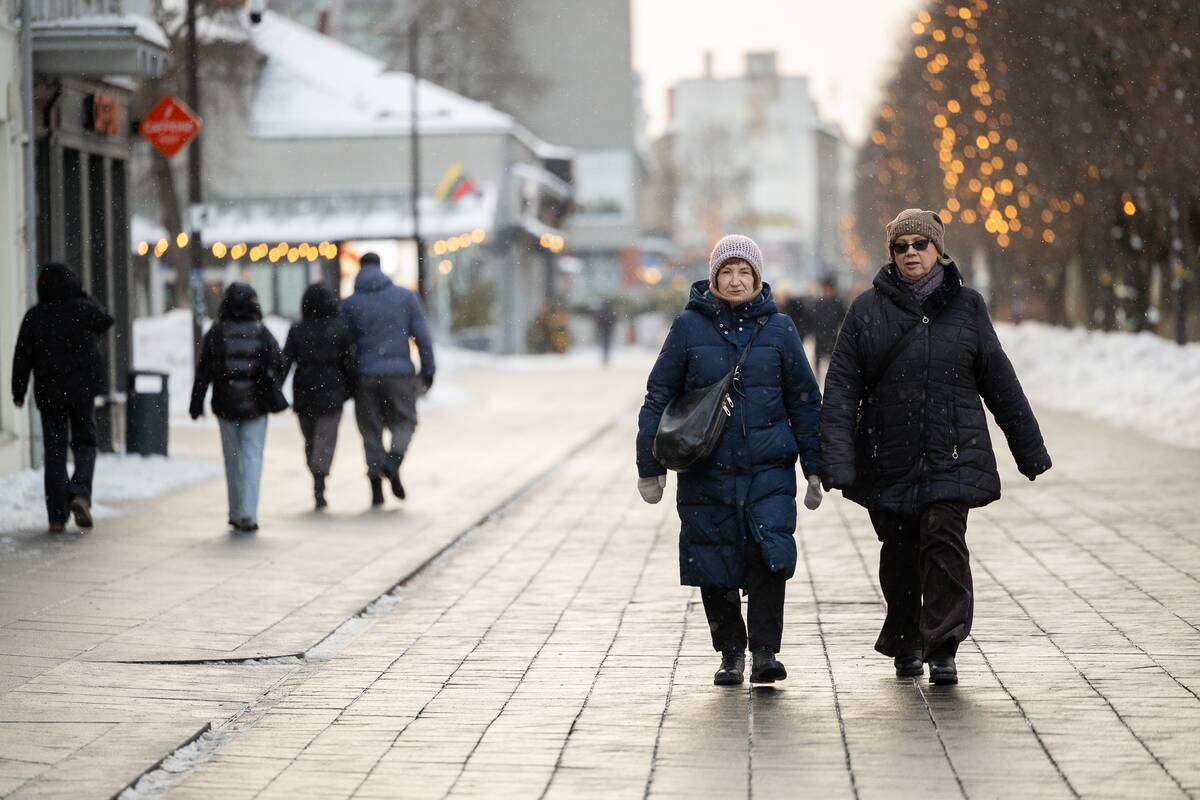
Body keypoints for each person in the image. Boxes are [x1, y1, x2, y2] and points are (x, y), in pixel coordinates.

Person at [819, 208, 1052, 685]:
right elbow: (841, 387)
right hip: (889, 454)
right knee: (900, 553)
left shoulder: (967, 306)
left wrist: (1028, 449)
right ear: (891, 254)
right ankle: (906, 638)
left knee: (944, 541)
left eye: (920, 244)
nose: (911, 253)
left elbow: (999, 380)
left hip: (952, 452)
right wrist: (837, 459)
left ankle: (943, 645)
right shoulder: (866, 309)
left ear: (938, 249)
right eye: (901, 246)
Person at [636, 234, 823, 687]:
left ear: (758, 278)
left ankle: (765, 652)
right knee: (713, 561)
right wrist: (649, 465)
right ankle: (731, 653)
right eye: (727, 271)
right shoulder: (688, 327)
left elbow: (804, 401)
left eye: (745, 272)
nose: (736, 280)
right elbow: (658, 396)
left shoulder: (779, 329)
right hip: (707, 469)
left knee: (769, 555)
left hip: (768, 468)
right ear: (714, 277)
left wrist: (816, 466)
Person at [11, 262, 114, 533]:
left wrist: (18, 391)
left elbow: (22, 356)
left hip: (50, 393)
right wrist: (83, 295)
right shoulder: (83, 309)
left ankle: (57, 516)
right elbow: (106, 319)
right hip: (82, 392)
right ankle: (80, 492)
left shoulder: (35, 317)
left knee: (55, 452)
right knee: (85, 443)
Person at [341, 252, 435, 506]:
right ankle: (393, 461)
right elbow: (423, 338)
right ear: (380, 268)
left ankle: (376, 487)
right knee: (405, 421)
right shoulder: (405, 298)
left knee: (370, 430)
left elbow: (344, 345)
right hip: (399, 374)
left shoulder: (350, 305)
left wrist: (348, 377)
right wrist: (428, 371)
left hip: (365, 375)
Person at [189, 283, 285, 533]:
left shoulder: (216, 333)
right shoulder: (262, 332)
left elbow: (203, 371)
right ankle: (248, 512)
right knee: (252, 457)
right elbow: (279, 362)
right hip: (256, 406)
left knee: (232, 459)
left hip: (226, 404)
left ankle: (234, 510)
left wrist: (196, 402)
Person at [282, 284, 356, 510]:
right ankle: (319, 477)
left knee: (311, 438)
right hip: (332, 393)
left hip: (304, 393)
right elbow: (349, 362)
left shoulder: (297, 330)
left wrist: (275, 388)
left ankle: (316, 475)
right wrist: (351, 388)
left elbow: (286, 361)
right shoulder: (339, 329)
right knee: (325, 439)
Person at [810, 275, 848, 381]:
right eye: (826, 288)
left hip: (832, 336)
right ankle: (817, 378)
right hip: (820, 336)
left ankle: (834, 378)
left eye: (830, 289)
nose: (828, 291)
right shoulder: (818, 303)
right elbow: (812, 319)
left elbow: (843, 319)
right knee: (818, 359)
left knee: (834, 360)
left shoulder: (838, 303)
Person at [595, 297, 618, 366]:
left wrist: (600, 325)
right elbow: (614, 319)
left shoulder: (601, 310)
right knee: (607, 343)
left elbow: (598, 319)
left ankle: (605, 357)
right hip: (608, 329)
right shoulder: (610, 311)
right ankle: (606, 357)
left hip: (603, 329)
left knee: (604, 343)